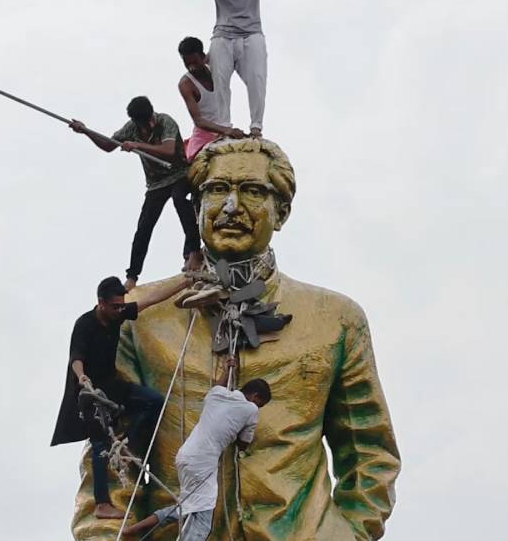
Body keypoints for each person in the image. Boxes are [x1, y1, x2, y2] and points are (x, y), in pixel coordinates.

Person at [71, 139, 400, 540]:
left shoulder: (337, 321)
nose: (231, 206)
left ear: (282, 212)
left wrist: (347, 533)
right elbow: (111, 452)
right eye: (216, 190)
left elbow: (369, 451)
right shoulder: (139, 319)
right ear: (196, 208)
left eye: (253, 190)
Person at [164, 0, 326, 137]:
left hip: (251, 33)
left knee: (258, 79)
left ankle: (256, 127)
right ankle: (224, 128)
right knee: (220, 80)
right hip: (223, 34)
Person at [51, 275, 190, 520]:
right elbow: (77, 357)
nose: (119, 310)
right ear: (101, 302)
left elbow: (151, 299)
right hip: (90, 394)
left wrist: (185, 283)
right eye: (114, 306)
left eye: (121, 305)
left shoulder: (117, 314)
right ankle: (102, 504)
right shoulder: (85, 324)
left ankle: (127, 446)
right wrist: (82, 378)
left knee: (154, 401)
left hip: (113, 385)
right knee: (100, 445)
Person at [121, 357, 270, 540]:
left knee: (186, 507)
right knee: (202, 522)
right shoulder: (251, 410)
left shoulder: (216, 395)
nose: (258, 408)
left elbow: (217, 386)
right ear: (255, 396)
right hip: (203, 462)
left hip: (185, 456)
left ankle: (134, 529)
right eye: (260, 404)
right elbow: (243, 444)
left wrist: (226, 371)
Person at [69, 96, 202, 290]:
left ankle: (194, 251)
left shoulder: (165, 121)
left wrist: (138, 145)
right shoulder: (131, 128)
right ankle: (132, 276)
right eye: (142, 125)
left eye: (148, 123)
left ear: (151, 116)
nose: (146, 128)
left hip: (179, 174)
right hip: (156, 183)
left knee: (179, 199)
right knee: (144, 226)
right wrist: (86, 131)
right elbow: (108, 145)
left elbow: (168, 150)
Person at [176, 36, 247, 162]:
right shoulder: (186, 85)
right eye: (187, 64)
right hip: (204, 137)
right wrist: (226, 131)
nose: (191, 67)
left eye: (195, 62)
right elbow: (198, 121)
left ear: (203, 57)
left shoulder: (216, 67)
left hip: (226, 131)